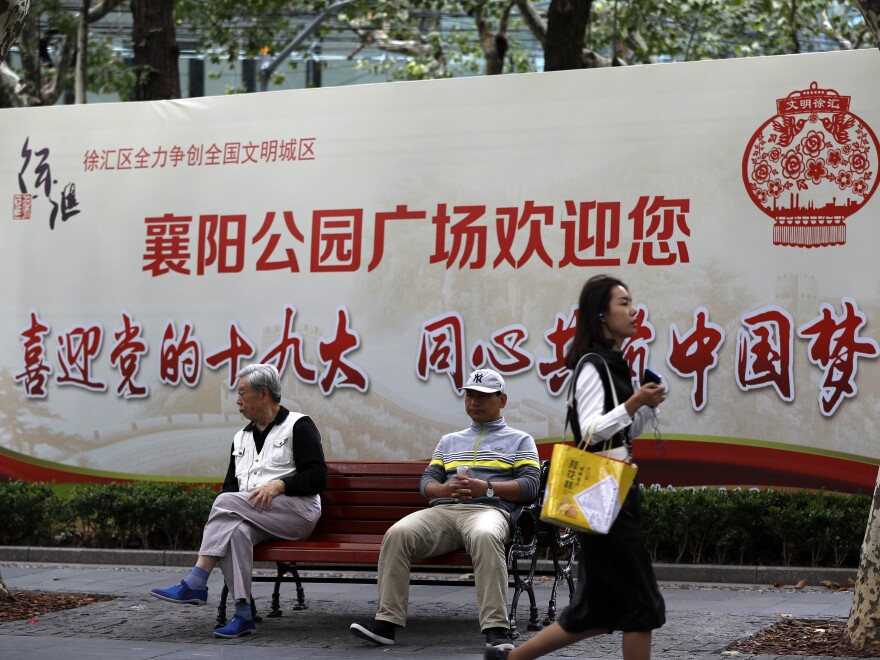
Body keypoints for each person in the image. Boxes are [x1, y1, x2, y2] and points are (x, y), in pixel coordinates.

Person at [485, 275, 666, 660]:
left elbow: (617, 434)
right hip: (604, 494)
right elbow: (590, 430)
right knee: (641, 608)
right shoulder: (592, 365)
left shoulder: (615, 362)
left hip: (614, 489)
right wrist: (634, 403)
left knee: (595, 613)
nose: (634, 311)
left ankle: (509, 659)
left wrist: (645, 407)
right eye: (624, 303)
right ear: (601, 315)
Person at [350, 368, 541, 650]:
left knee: (485, 536)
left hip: (488, 511)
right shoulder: (449, 440)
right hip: (444, 512)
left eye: (483, 396)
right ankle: (385, 624)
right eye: (470, 395)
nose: (474, 401)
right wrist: (443, 490)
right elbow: (427, 481)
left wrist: (487, 488)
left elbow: (530, 485)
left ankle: (497, 630)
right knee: (397, 533)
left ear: (502, 400)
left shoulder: (521, 440)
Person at [150, 363, 327, 638]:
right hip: (255, 513)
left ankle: (197, 579)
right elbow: (231, 486)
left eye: (243, 393)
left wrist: (281, 484)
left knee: (224, 502)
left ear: (264, 394)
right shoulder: (240, 437)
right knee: (236, 533)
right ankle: (243, 613)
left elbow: (318, 477)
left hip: (297, 513)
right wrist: (238, 499)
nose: (237, 400)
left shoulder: (299, 426)